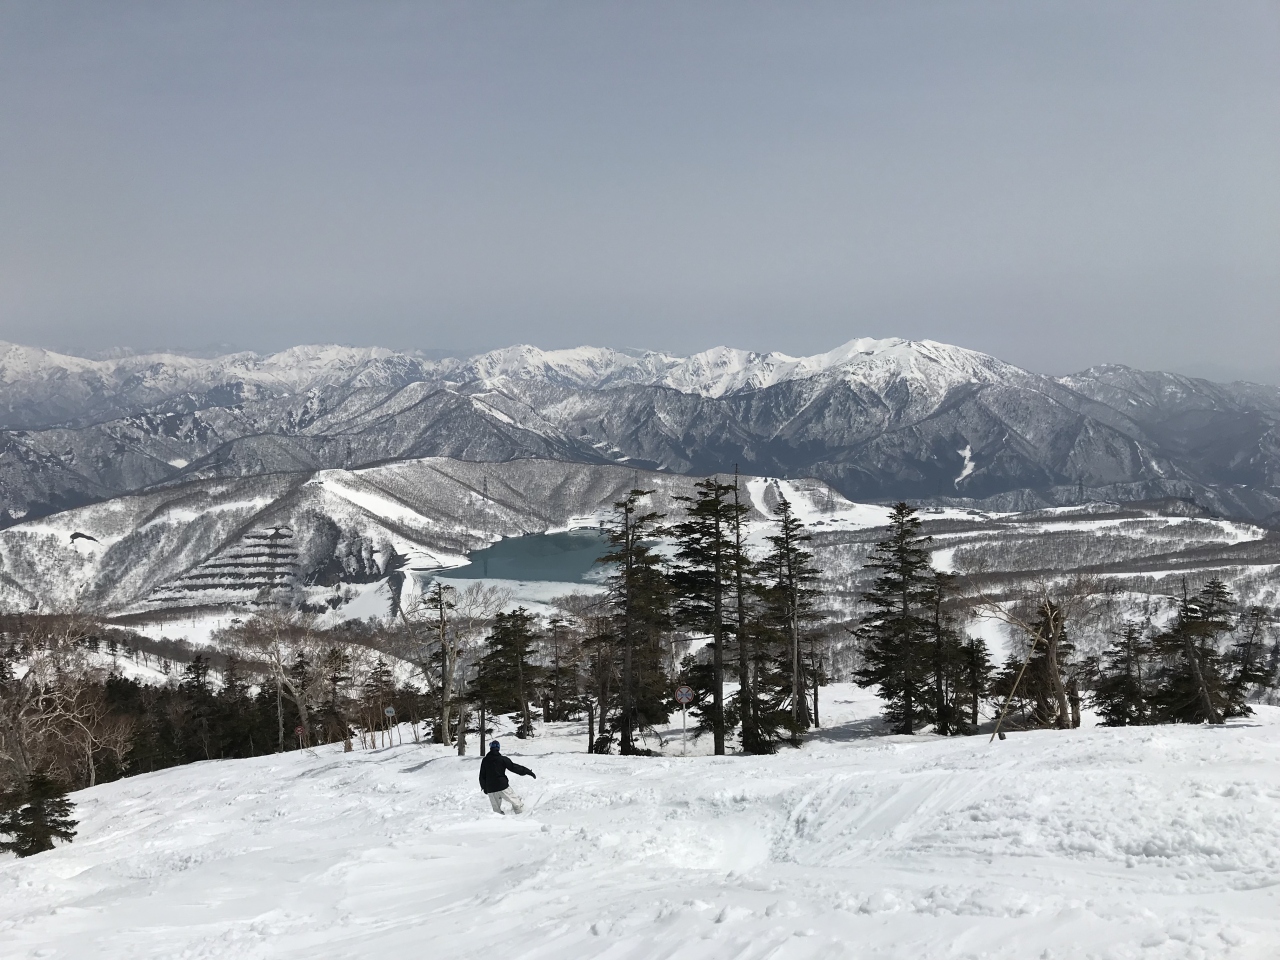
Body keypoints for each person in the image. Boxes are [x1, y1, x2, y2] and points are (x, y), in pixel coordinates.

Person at [479, 740, 536, 814]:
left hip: (491, 789)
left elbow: (482, 775)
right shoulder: (502, 759)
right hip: (503, 787)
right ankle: (523, 819)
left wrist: (484, 787)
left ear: (490, 748)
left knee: (496, 812)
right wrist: (527, 771)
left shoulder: (485, 760)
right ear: (498, 748)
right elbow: (514, 767)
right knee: (518, 805)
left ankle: (501, 824)